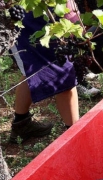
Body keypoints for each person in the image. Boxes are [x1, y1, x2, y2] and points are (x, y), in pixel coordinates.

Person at [10, 9, 80, 142]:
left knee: (32, 68)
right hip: (40, 14)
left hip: (31, 12)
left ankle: (21, 123)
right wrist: (72, 18)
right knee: (63, 73)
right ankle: (75, 137)